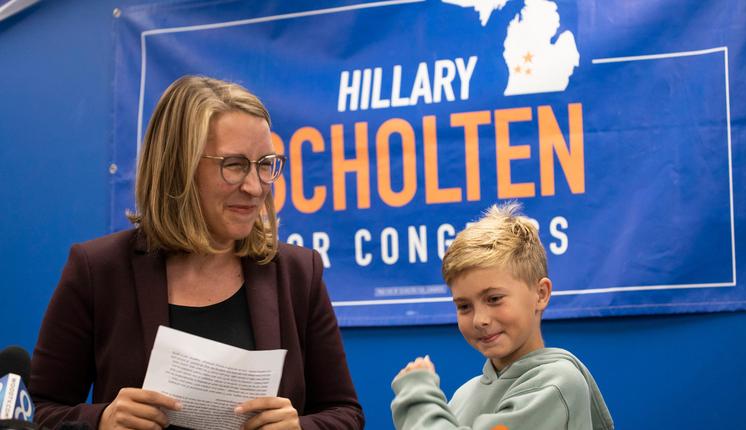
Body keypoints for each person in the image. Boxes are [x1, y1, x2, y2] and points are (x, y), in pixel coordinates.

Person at [30, 76, 364, 430]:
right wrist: (100, 420)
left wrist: (300, 428)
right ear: (179, 167)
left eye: (265, 164)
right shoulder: (98, 271)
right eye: (234, 165)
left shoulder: (299, 272)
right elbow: (40, 410)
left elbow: (345, 413)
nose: (254, 187)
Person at [391, 202, 614, 430]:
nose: (480, 320)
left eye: (494, 299)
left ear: (541, 294)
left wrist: (418, 398)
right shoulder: (462, 396)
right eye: (464, 306)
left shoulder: (558, 384)